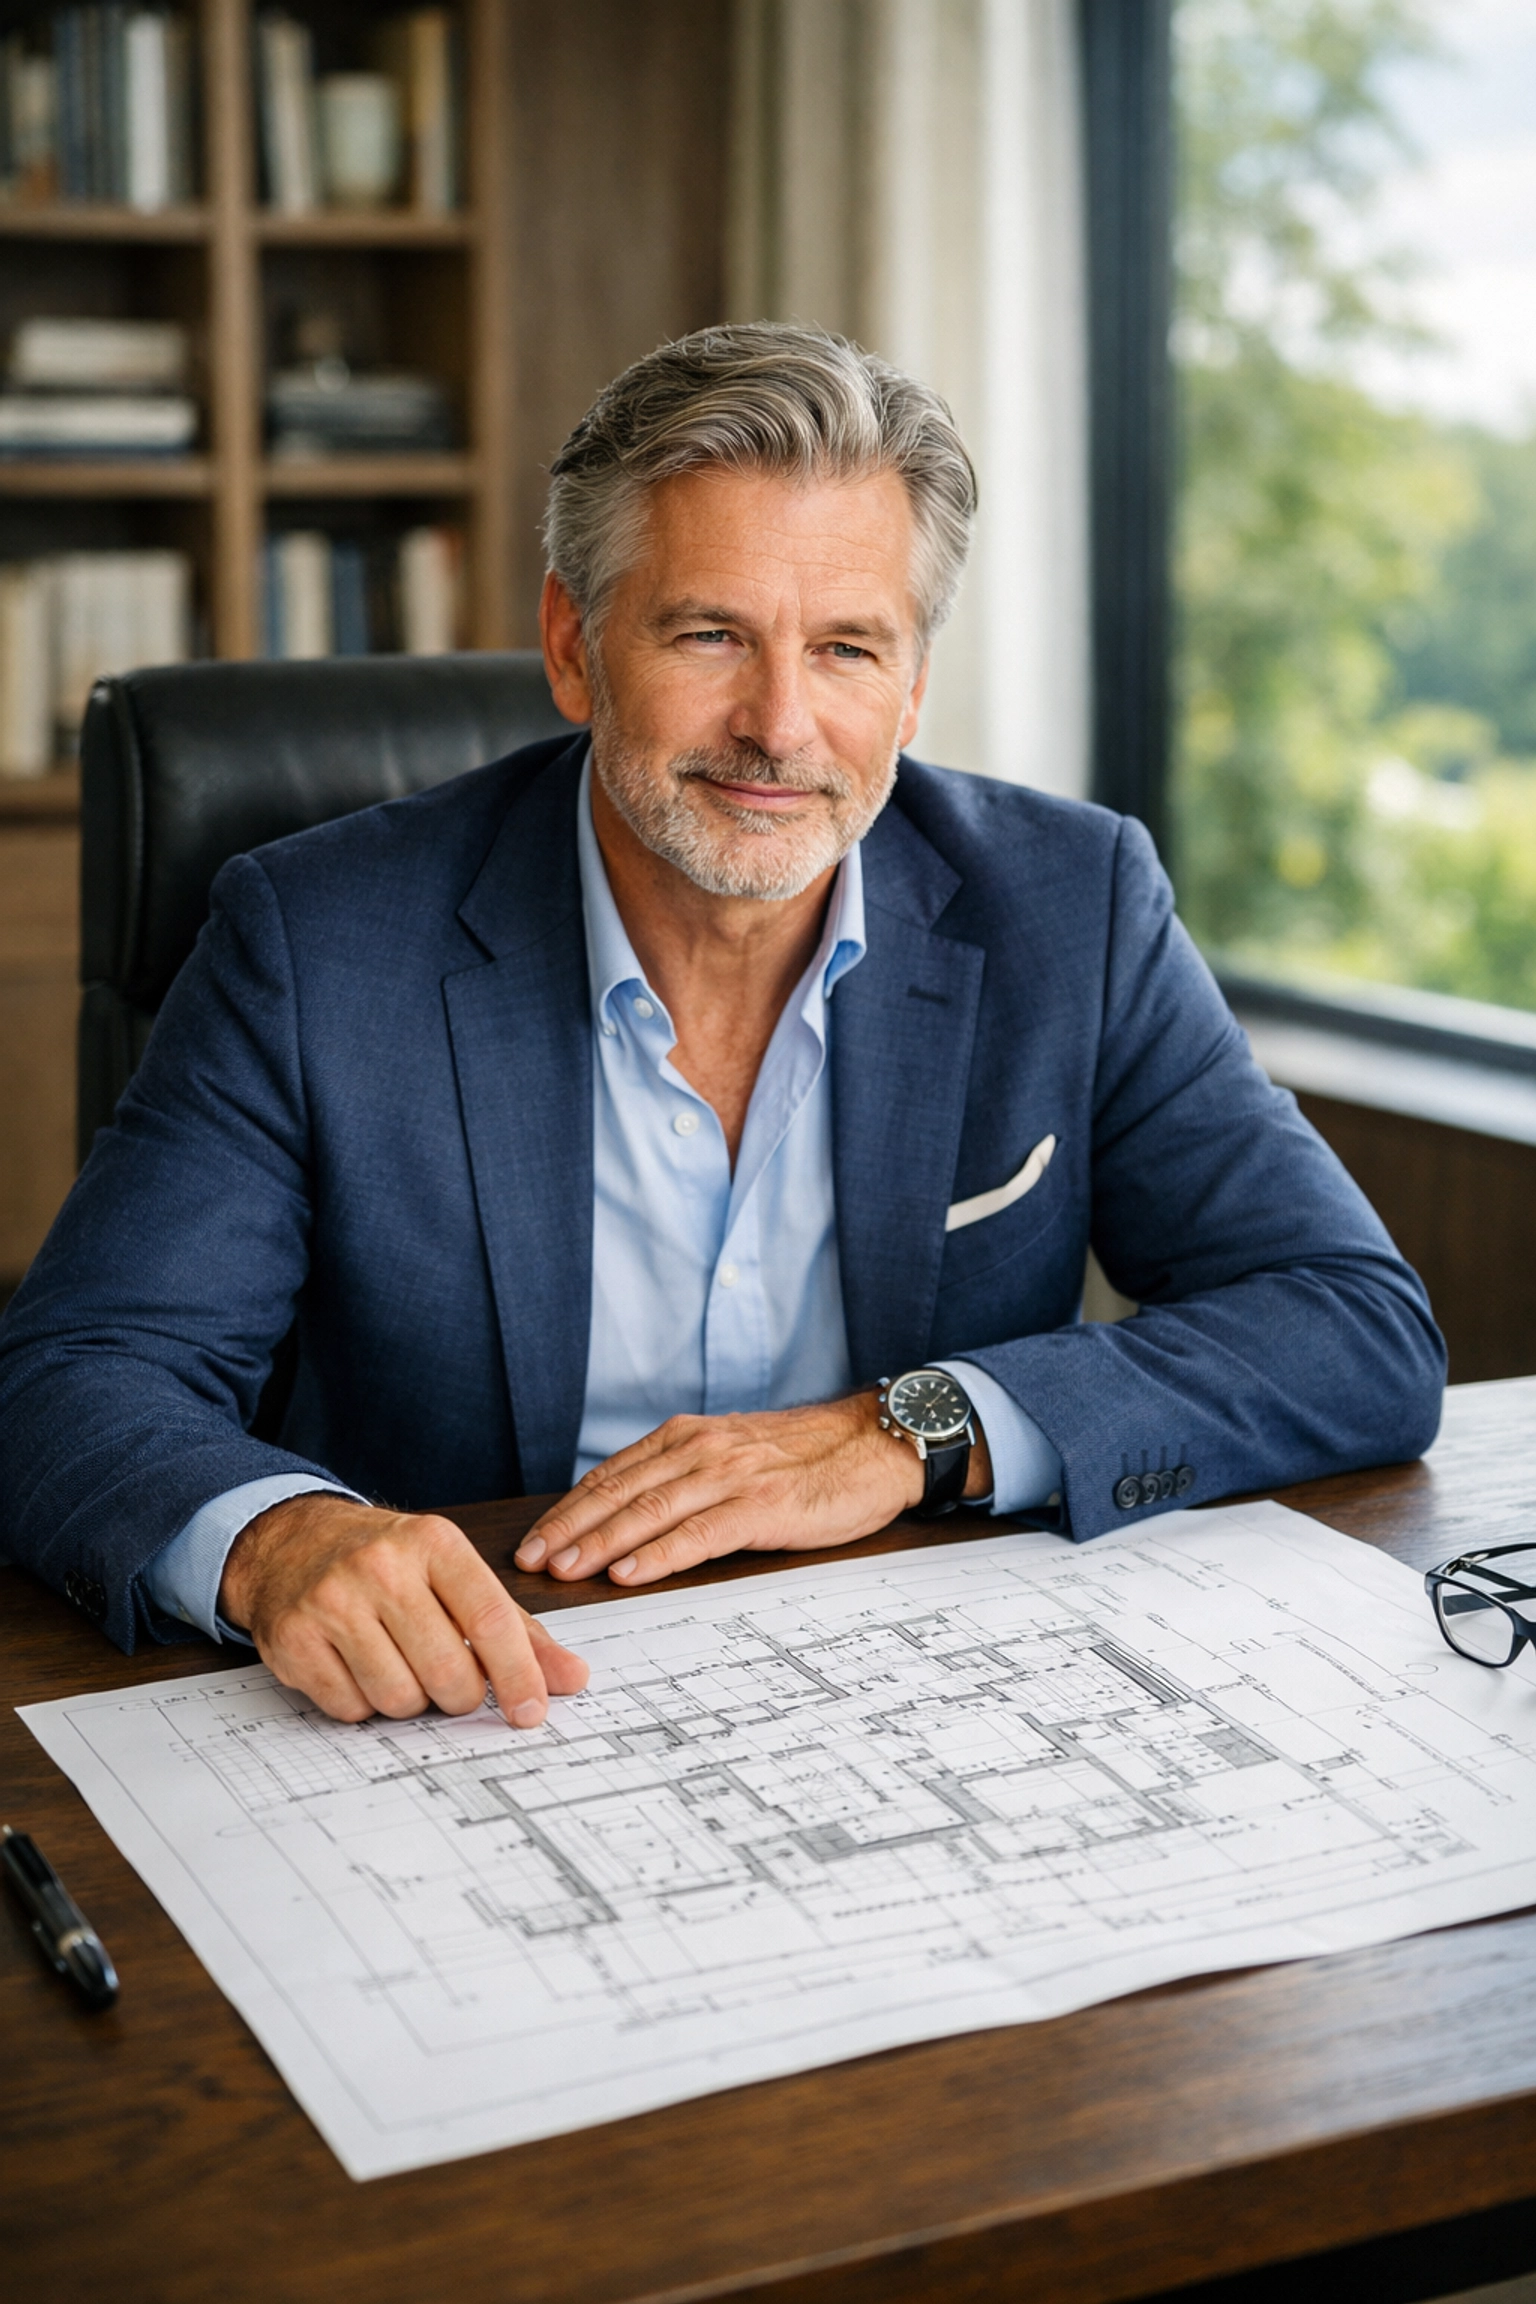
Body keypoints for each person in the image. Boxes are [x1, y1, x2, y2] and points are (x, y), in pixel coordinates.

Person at [0, 324, 1444, 1732]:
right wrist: (280, 1540)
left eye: (849, 650)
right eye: (710, 633)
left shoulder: (1072, 908)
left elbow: (1353, 1325)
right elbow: (74, 1379)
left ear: (916, 684)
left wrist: (908, 1431)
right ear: (574, 648)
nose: (781, 725)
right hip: (481, 1702)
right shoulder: (317, 941)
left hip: (920, 1694)